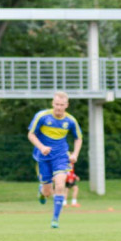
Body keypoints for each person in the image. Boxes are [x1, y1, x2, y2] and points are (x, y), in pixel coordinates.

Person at [28, 91, 82, 228]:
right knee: (47, 191)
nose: (59, 107)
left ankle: (55, 219)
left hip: (61, 156)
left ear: (66, 105)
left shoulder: (70, 120)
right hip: (44, 156)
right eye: (57, 104)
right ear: (53, 103)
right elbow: (31, 134)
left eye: (62, 105)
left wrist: (75, 154)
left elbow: (78, 138)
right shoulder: (42, 116)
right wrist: (41, 147)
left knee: (59, 185)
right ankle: (42, 191)